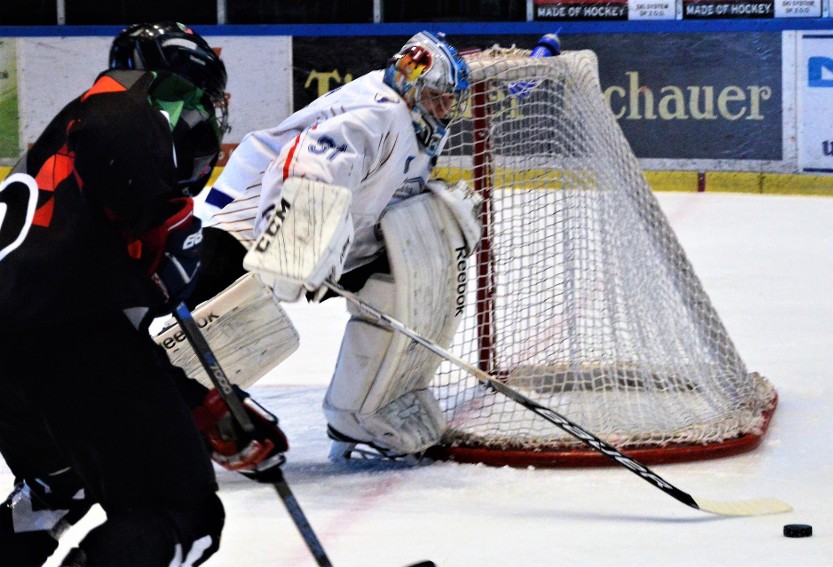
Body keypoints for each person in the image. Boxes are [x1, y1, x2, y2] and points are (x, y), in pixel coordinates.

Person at [0, 22, 286, 566]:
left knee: (56, 489)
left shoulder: (60, 159)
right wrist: (161, 220)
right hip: (66, 342)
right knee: (182, 515)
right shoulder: (120, 108)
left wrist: (200, 403)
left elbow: (108, 342)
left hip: (19, 356)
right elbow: (88, 343)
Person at [190, 31, 481, 461]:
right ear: (411, 85)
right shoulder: (379, 115)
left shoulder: (411, 126)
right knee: (201, 325)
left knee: (395, 276)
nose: (444, 110)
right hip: (250, 225)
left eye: (447, 101)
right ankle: (141, 413)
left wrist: (431, 225)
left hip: (331, 238)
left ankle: (360, 413)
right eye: (437, 97)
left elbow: (381, 195)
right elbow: (309, 162)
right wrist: (298, 243)